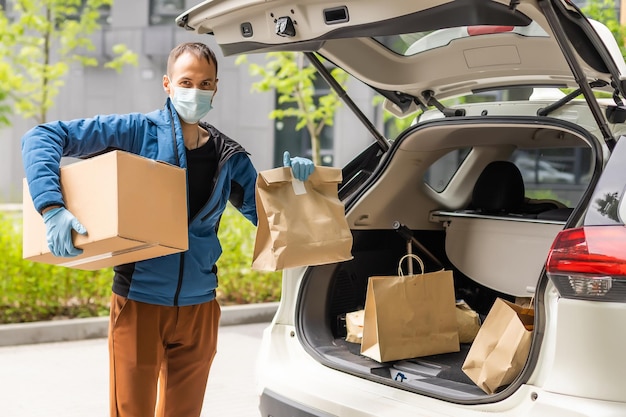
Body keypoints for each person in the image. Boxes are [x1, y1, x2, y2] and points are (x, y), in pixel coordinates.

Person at [21, 41, 314, 417]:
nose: (196, 91)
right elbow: (41, 137)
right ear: (167, 84)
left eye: (205, 83)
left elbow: (273, 222)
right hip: (140, 302)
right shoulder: (135, 132)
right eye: (186, 81)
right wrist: (50, 208)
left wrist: (297, 186)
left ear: (216, 87)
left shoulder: (230, 156)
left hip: (200, 308)